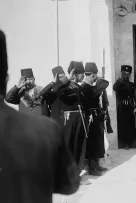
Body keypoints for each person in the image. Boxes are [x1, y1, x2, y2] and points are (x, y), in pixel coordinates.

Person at [0, 30, 80, 203]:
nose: (28, 81)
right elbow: (8, 98)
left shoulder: (40, 89)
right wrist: (18, 87)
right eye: (25, 79)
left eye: (30, 78)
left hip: (35, 127)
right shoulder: (19, 93)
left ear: (34, 78)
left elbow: (43, 96)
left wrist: (58, 81)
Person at [81, 62, 109, 176]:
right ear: (92, 75)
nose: (96, 77)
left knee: (98, 141)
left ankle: (96, 165)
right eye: (95, 75)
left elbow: (105, 84)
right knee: (92, 142)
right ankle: (92, 168)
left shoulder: (91, 87)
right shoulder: (84, 87)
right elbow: (98, 90)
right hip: (89, 118)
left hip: (96, 116)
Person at [113, 65, 136, 149]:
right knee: (124, 126)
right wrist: (120, 79)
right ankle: (125, 143)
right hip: (122, 107)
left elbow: (135, 95)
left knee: (131, 125)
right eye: (125, 74)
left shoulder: (132, 84)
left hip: (131, 106)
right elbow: (114, 88)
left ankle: (131, 141)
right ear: (122, 74)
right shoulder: (119, 83)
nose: (126, 76)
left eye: (128, 74)